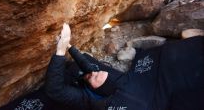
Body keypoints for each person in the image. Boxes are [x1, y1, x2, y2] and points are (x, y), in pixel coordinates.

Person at [45, 23, 204, 110]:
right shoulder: (107, 93)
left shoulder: (105, 93)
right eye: (93, 75)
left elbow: (57, 89)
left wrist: (63, 49)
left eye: (93, 75)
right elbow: (57, 89)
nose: (93, 73)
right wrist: (64, 49)